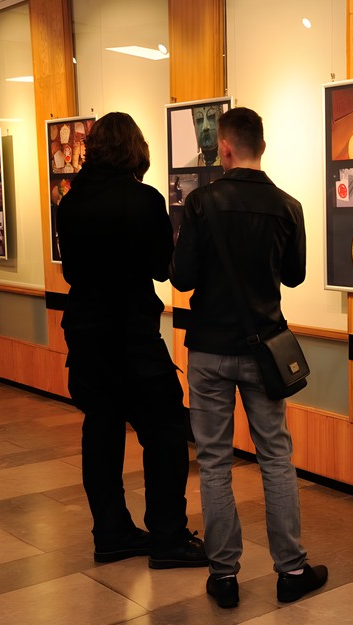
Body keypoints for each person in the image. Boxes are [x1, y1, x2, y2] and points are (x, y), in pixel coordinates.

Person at [170, 107, 327, 609]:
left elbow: (182, 278)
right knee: (275, 458)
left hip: (209, 351)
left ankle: (224, 576)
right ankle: (292, 570)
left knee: (214, 461)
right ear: (262, 146)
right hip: (263, 351)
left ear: (226, 149)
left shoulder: (199, 203)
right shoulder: (288, 206)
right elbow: (296, 275)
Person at [56, 112, 208, 570]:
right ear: (135, 149)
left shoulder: (70, 201)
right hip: (133, 336)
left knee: (100, 431)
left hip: (85, 334)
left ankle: (111, 533)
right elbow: (164, 269)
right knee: (164, 431)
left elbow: (70, 272)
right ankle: (166, 536)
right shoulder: (144, 200)